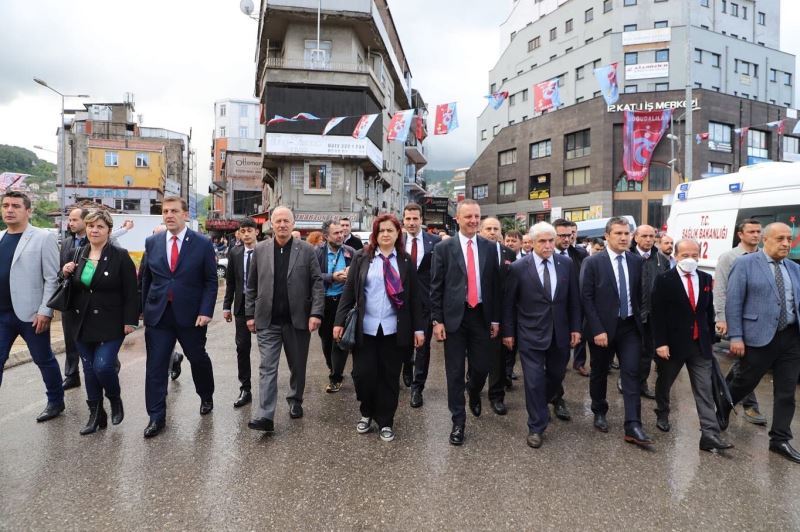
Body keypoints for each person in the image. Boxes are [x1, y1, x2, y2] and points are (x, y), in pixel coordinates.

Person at [333, 214, 424, 442]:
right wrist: (338, 321)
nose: (385, 234)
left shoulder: (404, 260)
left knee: (389, 377)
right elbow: (349, 291)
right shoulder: (362, 258)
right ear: (375, 233)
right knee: (362, 375)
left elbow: (414, 299)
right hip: (366, 328)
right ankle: (366, 412)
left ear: (397, 234)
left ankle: (385, 421)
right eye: (381, 230)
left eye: (390, 231)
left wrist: (419, 329)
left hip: (394, 330)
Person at [721, 223, 800, 464]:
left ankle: (780, 439)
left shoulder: (795, 268)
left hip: (790, 338)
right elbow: (733, 301)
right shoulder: (745, 264)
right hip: (758, 337)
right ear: (765, 240)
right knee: (745, 381)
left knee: (787, 392)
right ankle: (722, 406)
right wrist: (736, 337)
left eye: (789, 239)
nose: (786, 243)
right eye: (780, 239)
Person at [140, 196, 218, 438]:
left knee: (198, 358)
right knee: (155, 366)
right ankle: (156, 416)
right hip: (159, 316)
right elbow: (146, 279)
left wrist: (206, 311)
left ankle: (206, 395)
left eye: (174, 211)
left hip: (191, 316)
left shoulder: (202, 243)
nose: (169, 215)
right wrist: (142, 310)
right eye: (165, 211)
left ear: (185, 215)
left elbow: (210, 280)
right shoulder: (152, 242)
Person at [245, 206, 324, 433]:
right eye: (278, 221)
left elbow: (317, 283)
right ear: (271, 223)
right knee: (267, 367)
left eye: (286, 221)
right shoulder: (260, 250)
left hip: (297, 320)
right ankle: (265, 416)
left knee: (297, 366)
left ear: (293, 223)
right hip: (268, 321)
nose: (282, 225)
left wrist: (316, 313)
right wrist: (250, 314)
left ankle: (295, 399)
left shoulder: (307, 250)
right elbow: (251, 286)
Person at [503, 222, 582, 448]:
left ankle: (542, 403)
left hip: (560, 332)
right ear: (533, 243)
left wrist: (576, 328)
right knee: (534, 381)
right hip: (530, 333)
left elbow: (573, 299)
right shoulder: (518, 267)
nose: (548, 245)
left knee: (556, 375)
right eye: (542, 241)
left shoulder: (565, 264)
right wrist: (508, 332)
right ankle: (536, 425)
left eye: (550, 240)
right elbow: (509, 303)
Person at [651, 239, 733, 452]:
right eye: (685, 254)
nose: (690, 259)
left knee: (704, 389)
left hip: (699, 345)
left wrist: (711, 336)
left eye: (694, 254)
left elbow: (706, 312)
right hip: (673, 345)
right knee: (665, 382)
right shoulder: (664, 280)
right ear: (676, 256)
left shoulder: (705, 278)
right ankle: (662, 411)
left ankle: (709, 434)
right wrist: (660, 343)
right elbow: (657, 314)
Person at [61, 210, 138, 435]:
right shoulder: (78, 253)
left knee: (103, 366)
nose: (94, 230)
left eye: (100, 227)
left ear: (109, 231)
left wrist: (130, 321)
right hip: (81, 321)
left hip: (111, 322)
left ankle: (114, 399)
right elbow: (70, 286)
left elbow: (131, 293)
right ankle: (95, 414)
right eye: (91, 226)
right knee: (89, 370)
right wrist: (65, 272)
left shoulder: (120, 256)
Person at [430, 199, 500, 446]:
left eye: (476, 216)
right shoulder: (444, 249)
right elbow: (436, 286)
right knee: (455, 372)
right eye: (468, 216)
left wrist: (495, 319)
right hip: (454, 319)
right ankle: (458, 421)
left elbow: (494, 286)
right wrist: (436, 320)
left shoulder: (490, 248)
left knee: (481, 367)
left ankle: (474, 390)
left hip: (481, 316)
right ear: (457, 219)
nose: (473, 221)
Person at [581, 217, 652, 447]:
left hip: (629, 327)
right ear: (607, 235)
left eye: (627, 233)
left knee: (631, 373)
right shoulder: (593, 263)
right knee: (600, 372)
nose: (624, 237)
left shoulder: (636, 262)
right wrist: (597, 329)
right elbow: (587, 299)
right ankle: (599, 410)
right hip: (602, 329)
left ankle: (633, 424)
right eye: (618, 233)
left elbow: (641, 295)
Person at [0, 191, 63, 422]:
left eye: (15, 206)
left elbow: (52, 278)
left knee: (43, 358)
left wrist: (46, 311)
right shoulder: (0, 237)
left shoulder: (42, 237)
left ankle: (56, 401)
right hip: (2, 314)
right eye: (5, 205)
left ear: (28, 211)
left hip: (32, 314)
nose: (9, 210)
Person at [714, 219, 766, 425]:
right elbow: (721, 289)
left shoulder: (764, 256)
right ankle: (749, 406)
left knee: (743, 362)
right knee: (748, 362)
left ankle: (723, 393)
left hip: (759, 320)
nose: (756, 235)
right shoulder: (729, 258)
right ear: (740, 235)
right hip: (737, 318)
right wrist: (722, 318)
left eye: (758, 231)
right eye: (751, 231)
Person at [401, 203, 440, 407]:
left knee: (423, 347)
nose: (412, 223)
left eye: (415, 219)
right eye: (408, 219)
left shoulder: (434, 242)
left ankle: (417, 388)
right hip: (400, 302)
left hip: (425, 303)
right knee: (405, 344)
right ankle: (407, 366)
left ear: (421, 220)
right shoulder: (397, 240)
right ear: (403, 220)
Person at [479, 217, 516, 415]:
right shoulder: (475, 251)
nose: (492, 232)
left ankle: (496, 395)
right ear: (481, 231)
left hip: (501, 312)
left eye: (496, 229)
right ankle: (473, 386)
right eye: (488, 229)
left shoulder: (509, 253)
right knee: (477, 356)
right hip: (478, 312)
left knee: (498, 357)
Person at [223, 219, 260, 408]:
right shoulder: (235, 253)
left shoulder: (265, 251)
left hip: (263, 305)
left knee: (267, 347)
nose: (246, 234)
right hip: (241, 306)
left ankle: (269, 386)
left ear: (256, 232)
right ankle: (245, 388)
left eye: (249, 231)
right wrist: (226, 306)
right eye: (242, 231)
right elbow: (230, 282)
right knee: (242, 347)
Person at [315, 219, 355, 393]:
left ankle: (336, 377)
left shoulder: (351, 252)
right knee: (326, 340)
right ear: (326, 236)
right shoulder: (317, 253)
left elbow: (361, 273)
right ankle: (333, 367)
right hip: (324, 302)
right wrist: (332, 277)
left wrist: (350, 273)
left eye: (342, 232)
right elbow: (313, 276)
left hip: (344, 302)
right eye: (336, 233)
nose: (341, 236)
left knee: (340, 340)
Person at [631, 224, 670, 400]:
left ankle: (641, 383)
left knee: (647, 353)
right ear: (636, 237)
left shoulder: (661, 260)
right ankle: (627, 381)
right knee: (630, 351)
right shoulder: (628, 256)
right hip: (632, 315)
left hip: (652, 315)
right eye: (644, 236)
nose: (648, 240)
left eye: (651, 236)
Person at [553, 219, 589, 378]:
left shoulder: (580, 254)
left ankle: (579, 363)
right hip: (554, 311)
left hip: (577, 306)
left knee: (579, 337)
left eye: (570, 235)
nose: (567, 239)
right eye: (562, 236)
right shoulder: (544, 253)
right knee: (557, 356)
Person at [60, 206, 90, 390]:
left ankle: (109, 368)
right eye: (69, 220)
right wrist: (63, 272)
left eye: (74, 220)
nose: (70, 223)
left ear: (85, 222)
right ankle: (72, 375)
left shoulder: (98, 240)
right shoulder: (66, 243)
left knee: (95, 338)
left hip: (91, 299)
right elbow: (58, 269)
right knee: (70, 339)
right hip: (69, 298)